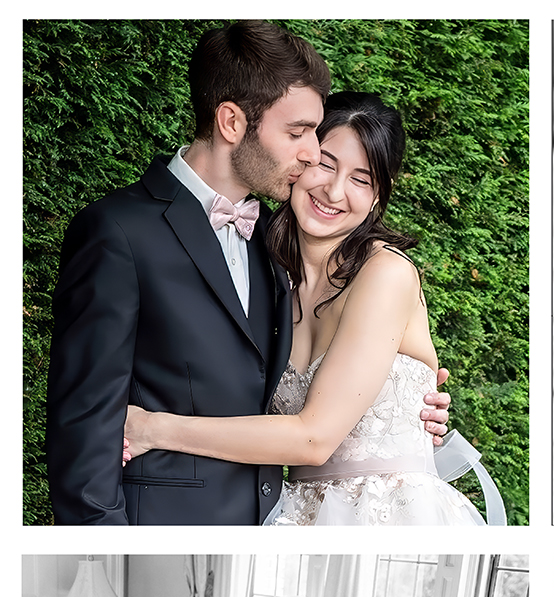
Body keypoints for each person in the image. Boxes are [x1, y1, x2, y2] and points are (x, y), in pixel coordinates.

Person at [47, 21, 449, 525]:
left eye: (361, 179)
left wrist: (415, 413)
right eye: (302, 138)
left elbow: (318, 428)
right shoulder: (119, 232)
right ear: (232, 123)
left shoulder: (270, 249)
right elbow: (82, 427)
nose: (309, 161)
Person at [124, 91, 489, 526]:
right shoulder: (258, 272)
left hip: (387, 516)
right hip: (292, 513)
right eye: (325, 163)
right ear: (299, 161)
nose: (334, 191)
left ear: (377, 197)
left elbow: (315, 438)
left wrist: (152, 428)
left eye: (361, 178)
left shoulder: (384, 274)